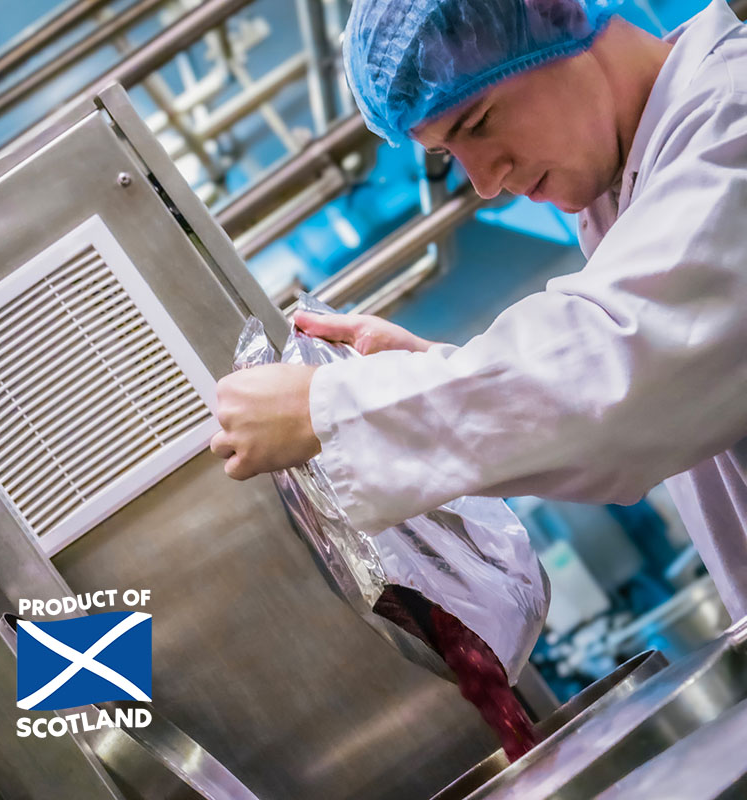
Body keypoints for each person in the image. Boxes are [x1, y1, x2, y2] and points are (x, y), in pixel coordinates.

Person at [211, 0, 747, 620]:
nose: (486, 181)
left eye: (479, 121)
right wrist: (428, 371)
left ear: (557, 14)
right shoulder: (634, 187)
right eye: (447, 153)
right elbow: (643, 369)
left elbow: (625, 382)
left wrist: (328, 412)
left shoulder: (731, 123)